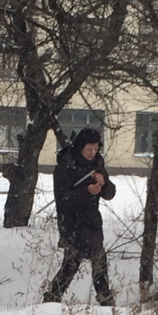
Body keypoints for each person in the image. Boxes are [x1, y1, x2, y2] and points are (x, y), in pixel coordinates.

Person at [42, 127, 116, 306]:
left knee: (97, 261)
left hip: (92, 221)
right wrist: (87, 191)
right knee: (73, 263)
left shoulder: (97, 163)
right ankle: (53, 300)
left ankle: (103, 300)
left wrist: (104, 184)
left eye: (95, 148)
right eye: (88, 149)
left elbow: (110, 194)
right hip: (72, 222)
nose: (92, 153)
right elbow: (63, 198)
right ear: (80, 147)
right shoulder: (66, 165)